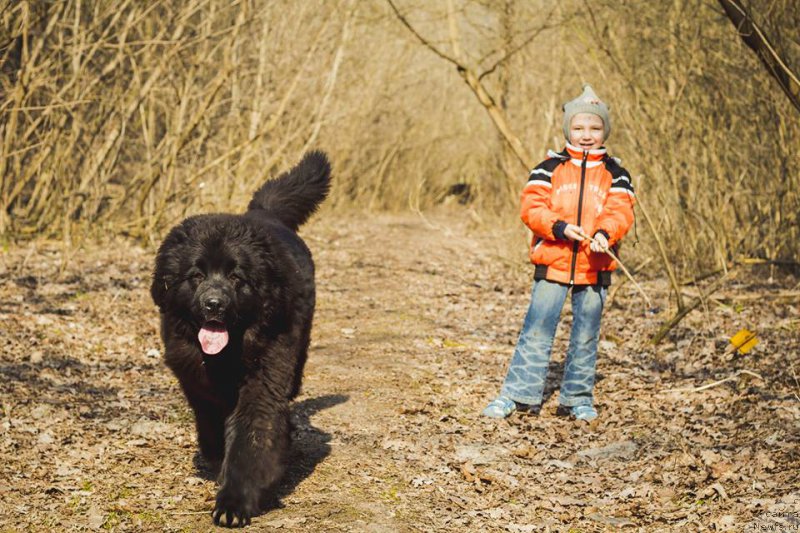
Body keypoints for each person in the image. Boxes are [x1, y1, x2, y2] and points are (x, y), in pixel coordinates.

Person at [482, 84, 635, 421]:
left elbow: (621, 211)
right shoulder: (548, 168)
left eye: (594, 128)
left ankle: (576, 399)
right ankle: (518, 396)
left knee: (585, 335)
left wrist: (603, 234)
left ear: (604, 131)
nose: (586, 135)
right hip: (552, 260)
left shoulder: (617, 174)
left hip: (595, 266)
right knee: (536, 331)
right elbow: (531, 209)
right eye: (579, 128)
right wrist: (560, 227)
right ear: (568, 129)